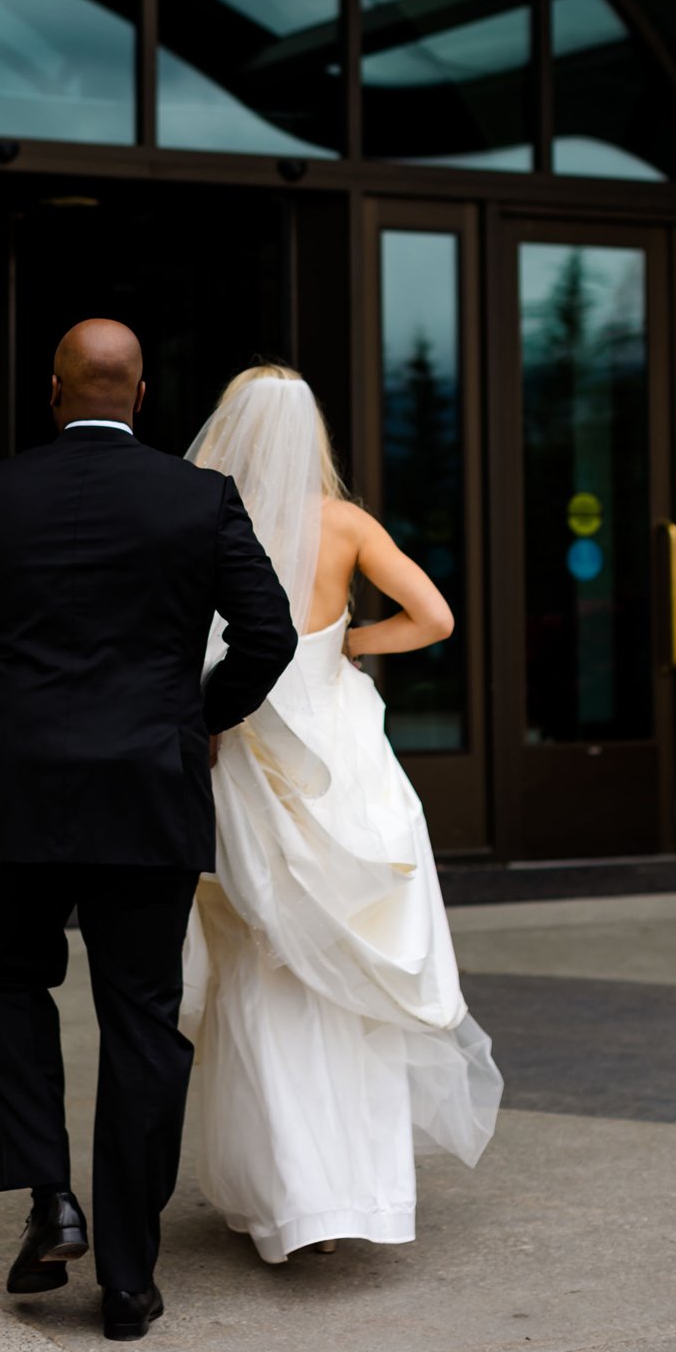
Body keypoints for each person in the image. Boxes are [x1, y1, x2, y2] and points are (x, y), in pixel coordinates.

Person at [0, 321, 297, 1340]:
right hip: (148, 788)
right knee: (141, 1015)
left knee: (8, 978)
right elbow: (269, 634)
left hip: (17, 788)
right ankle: (130, 1280)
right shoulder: (197, 498)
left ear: (53, 391)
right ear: (140, 396)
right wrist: (198, 716)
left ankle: (49, 1194)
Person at [181, 363, 503, 1264]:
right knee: (347, 981)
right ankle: (357, 1192)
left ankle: (284, 1197)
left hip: (247, 752)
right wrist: (348, 643)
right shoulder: (346, 525)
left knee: (264, 970)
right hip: (342, 756)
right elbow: (434, 617)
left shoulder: (205, 518)